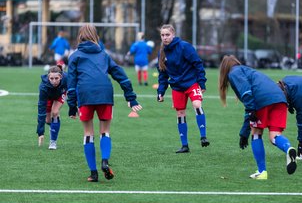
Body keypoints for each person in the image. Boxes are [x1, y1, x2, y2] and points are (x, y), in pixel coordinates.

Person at [67, 24, 142, 182]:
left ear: (80, 37)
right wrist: (131, 97)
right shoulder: (103, 55)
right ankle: (105, 161)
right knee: (105, 132)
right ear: (96, 36)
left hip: (85, 95)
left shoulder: (74, 56)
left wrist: (72, 107)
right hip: (105, 94)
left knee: (88, 134)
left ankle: (93, 173)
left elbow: (71, 85)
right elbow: (120, 75)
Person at [219, 55, 297, 180]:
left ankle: (262, 172)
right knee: (274, 136)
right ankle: (288, 149)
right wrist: (244, 132)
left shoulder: (234, 72)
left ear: (224, 69)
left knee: (256, 133)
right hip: (280, 98)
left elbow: (246, 92)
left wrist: (250, 112)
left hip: (263, 100)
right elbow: (249, 104)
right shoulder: (248, 70)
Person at [157, 24, 209, 153]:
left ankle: (203, 136)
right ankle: (184, 145)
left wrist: (201, 83)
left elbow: (197, 63)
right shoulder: (162, 52)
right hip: (177, 87)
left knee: (197, 104)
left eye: (167, 35)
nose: (165, 38)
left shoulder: (184, 47)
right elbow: (162, 74)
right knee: (180, 113)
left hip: (191, 83)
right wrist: (161, 91)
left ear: (173, 34)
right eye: (162, 35)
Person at [37, 65, 67, 150]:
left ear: (61, 77)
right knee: (48, 120)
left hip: (60, 94)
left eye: (56, 78)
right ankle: (54, 125)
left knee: (55, 112)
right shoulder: (43, 87)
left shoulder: (67, 78)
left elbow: (74, 88)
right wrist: (40, 132)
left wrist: (74, 106)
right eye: (51, 79)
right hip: (49, 97)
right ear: (48, 77)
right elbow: (41, 109)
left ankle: (53, 142)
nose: (54, 81)